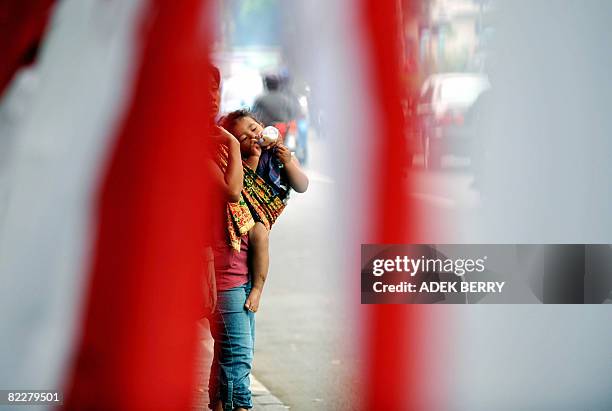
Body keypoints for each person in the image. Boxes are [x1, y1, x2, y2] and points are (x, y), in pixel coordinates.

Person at [219, 110, 308, 317]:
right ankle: (255, 287)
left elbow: (302, 185)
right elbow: (243, 186)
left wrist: (286, 161)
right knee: (257, 234)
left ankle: (257, 287)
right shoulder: (241, 161)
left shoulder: (282, 151)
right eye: (243, 138)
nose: (252, 137)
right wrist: (254, 158)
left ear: (262, 125)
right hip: (249, 212)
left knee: (260, 234)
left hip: (268, 211)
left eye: (253, 129)